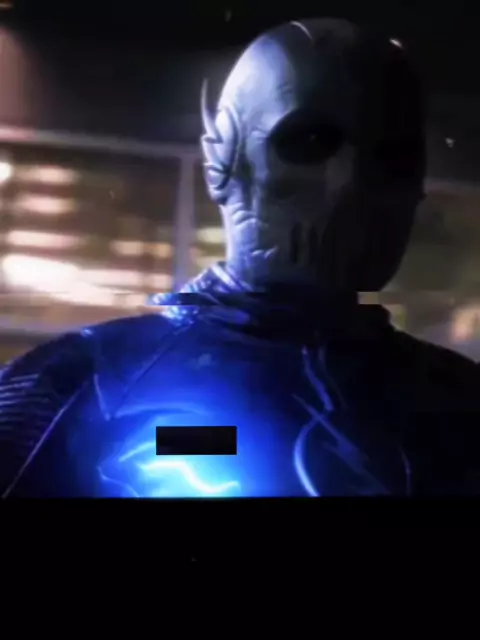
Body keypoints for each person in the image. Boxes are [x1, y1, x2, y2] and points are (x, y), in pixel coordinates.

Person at [1, 18, 479, 498]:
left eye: (392, 156)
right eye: (311, 143)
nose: (351, 185)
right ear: (225, 159)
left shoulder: (458, 404)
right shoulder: (79, 383)